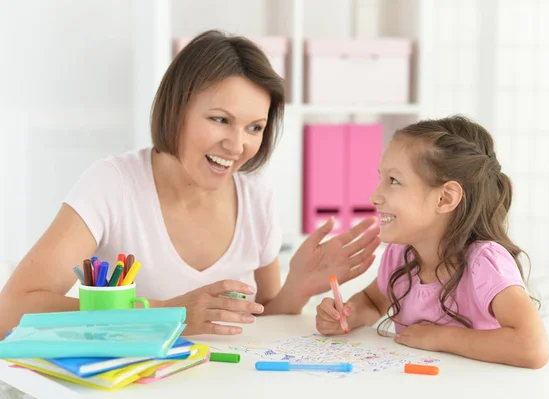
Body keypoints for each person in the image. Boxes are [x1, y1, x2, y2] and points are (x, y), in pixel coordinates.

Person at [0, 30, 380, 339]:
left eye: (255, 127)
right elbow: (11, 310)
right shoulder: (112, 184)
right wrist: (169, 314)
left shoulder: (255, 195)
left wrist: (297, 287)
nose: (236, 145)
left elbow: (260, 317)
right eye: (219, 119)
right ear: (177, 109)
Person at [315, 116, 549, 369]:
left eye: (393, 181)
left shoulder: (485, 262)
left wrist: (441, 337)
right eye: (380, 178)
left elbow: (532, 347)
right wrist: (346, 315)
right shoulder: (401, 255)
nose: (374, 196)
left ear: (444, 198)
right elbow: (373, 303)